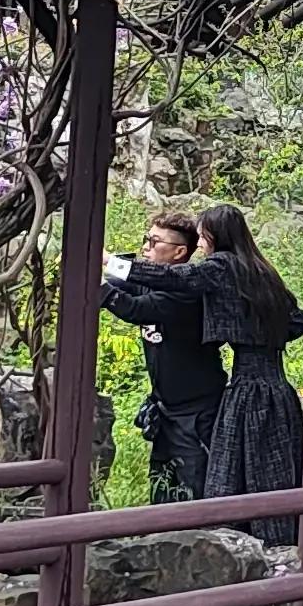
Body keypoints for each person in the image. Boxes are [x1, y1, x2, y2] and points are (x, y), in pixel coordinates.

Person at [116, 205, 303, 546]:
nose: (201, 244)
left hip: (247, 389)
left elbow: (172, 278)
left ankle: (234, 547)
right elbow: (297, 321)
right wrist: (259, 332)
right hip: (278, 389)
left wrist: (110, 264)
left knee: (229, 477)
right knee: (272, 471)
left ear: (215, 236)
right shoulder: (261, 271)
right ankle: (277, 543)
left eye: (203, 236)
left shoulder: (221, 266)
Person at [103, 209, 229, 504]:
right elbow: (123, 280)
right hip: (165, 407)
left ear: (179, 252)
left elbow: (134, 309)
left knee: (194, 491)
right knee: (161, 487)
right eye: (146, 239)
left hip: (197, 411)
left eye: (154, 242)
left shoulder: (188, 292)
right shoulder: (149, 279)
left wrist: (101, 286)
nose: (145, 247)